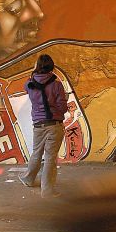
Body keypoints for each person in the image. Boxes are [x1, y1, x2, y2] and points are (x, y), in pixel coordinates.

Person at [18, 54, 68, 198]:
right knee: (50, 157)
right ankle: (47, 190)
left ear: (37, 67)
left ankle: (28, 179)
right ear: (51, 67)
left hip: (38, 124)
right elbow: (63, 108)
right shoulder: (57, 85)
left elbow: (27, 85)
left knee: (36, 153)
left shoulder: (30, 84)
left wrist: (33, 72)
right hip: (54, 125)